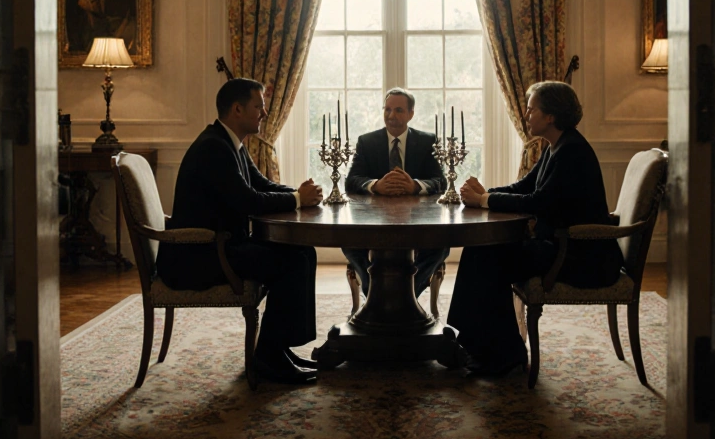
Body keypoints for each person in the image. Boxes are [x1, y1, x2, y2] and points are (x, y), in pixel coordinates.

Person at [446, 81, 623, 377]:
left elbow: (538, 202)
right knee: (481, 249)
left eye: (531, 109)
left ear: (550, 116)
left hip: (578, 254)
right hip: (558, 246)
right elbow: (523, 187)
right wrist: (484, 193)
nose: (526, 114)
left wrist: (484, 199)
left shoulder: (572, 151)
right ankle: (482, 346)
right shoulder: (558, 146)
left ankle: (504, 354)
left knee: (490, 257)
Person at [157, 78, 326, 384]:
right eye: (259, 106)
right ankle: (269, 358)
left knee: (302, 250)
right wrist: (299, 199)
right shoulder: (213, 148)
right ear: (237, 109)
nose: (264, 114)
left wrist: (300, 195)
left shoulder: (228, 142)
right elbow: (248, 201)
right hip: (200, 257)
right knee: (293, 261)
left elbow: (262, 185)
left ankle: (278, 348)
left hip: (220, 248)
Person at [343, 88, 448, 298]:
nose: (391, 116)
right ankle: (373, 291)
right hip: (373, 220)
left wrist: (415, 186)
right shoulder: (367, 142)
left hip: (418, 221)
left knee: (441, 245)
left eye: (399, 110)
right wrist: (375, 185)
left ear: (411, 113)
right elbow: (351, 181)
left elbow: (441, 181)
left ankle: (406, 294)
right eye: (387, 109)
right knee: (348, 241)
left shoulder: (428, 142)